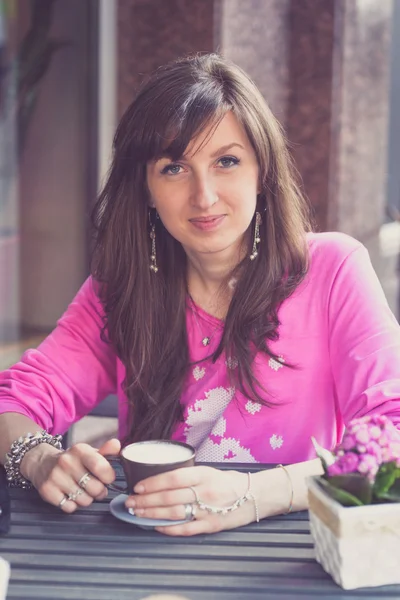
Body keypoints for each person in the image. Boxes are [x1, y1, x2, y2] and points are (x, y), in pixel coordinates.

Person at [1, 53, 400, 537]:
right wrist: (39, 459)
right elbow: (14, 401)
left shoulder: (333, 271)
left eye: (227, 161)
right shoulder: (121, 289)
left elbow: (391, 436)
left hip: (295, 552)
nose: (205, 195)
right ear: (146, 187)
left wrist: (252, 496)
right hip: (154, 555)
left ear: (262, 171)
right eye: (174, 168)